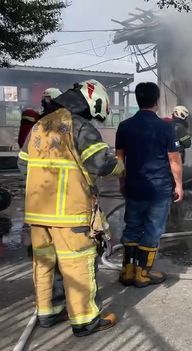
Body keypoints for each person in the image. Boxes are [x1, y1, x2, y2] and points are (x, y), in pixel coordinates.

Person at [18, 80, 123, 336]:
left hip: (37, 213)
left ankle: (49, 312)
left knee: (44, 264)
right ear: (92, 101)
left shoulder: (41, 125)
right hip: (70, 213)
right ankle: (86, 320)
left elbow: (23, 165)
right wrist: (120, 164)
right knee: (78, 264)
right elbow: (102, 164)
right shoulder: (78, 125)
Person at [115, 82, 184, 288]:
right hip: (159, 190)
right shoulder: (165, 127)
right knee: (152, 229)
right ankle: (143, 274)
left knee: (133, 227)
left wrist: (122, 182)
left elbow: (119, 159)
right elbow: (174, 160)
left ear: (138, 99)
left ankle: (128, 272)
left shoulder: (124, 126)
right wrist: (179, 185)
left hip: (133, 187)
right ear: (156, 100)